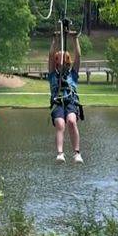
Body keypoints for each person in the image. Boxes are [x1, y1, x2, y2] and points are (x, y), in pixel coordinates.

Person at [47, 20, 84, 163]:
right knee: (60, 124)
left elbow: (78, 56)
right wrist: (55, 40)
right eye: (59, 63)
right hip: (58, 103)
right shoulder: (52, 75)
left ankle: (76, 153)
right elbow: (50, 56)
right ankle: (60, 153)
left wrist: (75, 40)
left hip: (71, 102)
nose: (62, 65)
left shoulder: (72, 74)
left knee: (71, 121)